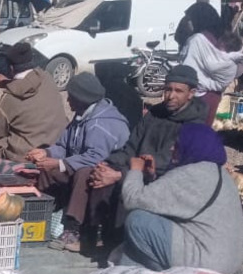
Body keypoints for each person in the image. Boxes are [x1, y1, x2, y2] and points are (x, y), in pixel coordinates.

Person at [86, 65, 207, 249]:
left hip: (165, 178)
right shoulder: (154, 114)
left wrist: (121, 174)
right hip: (135, 167)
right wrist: (107, 164)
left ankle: (119, 244)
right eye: (168, 89)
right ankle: (92, 236)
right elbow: (131, 147)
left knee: (125, 183)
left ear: (191, 93)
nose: (171, 96)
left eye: (178, 91)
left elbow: (168, 161)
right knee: (100, 174)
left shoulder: (195, 125)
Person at [119, 123, 243, 274]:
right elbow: (168, 203)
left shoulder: (194, 173)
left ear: (192, 145)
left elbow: (132, 199)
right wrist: (151, 176)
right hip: (229, 260)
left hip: (209, 262)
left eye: (177, 145)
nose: (172, 148)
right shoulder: (218, 173)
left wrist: (135, 170)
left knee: (138, 220)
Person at [26, 73, 130, 252]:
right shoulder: (81, 116)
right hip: (78, 162)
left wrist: (60, 164)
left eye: (71, 97)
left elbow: (96, 156)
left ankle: (73, 227)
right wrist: (46, 152)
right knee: (46, 168)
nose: (68, 101)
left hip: (105, 170)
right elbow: (64, 145)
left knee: (84, 172)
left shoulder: (100, 123)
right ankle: (43, 214)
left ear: (82, 99)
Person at [0, 42, 66, 162]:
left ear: (11, 68)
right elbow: (29, 84)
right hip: (54, 147)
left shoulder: (8, 99)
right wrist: (8, 82)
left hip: (25, 156)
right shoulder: (47, 78)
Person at [180, 2, 242, 125]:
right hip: (213, 96)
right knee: (203, 129)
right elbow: (236, 66)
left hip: (194, 95)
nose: (188, 22)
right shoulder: (223, 36)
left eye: (190, 19)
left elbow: (186, 69)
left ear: (199, 19)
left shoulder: (197, 40)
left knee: (189, 129)